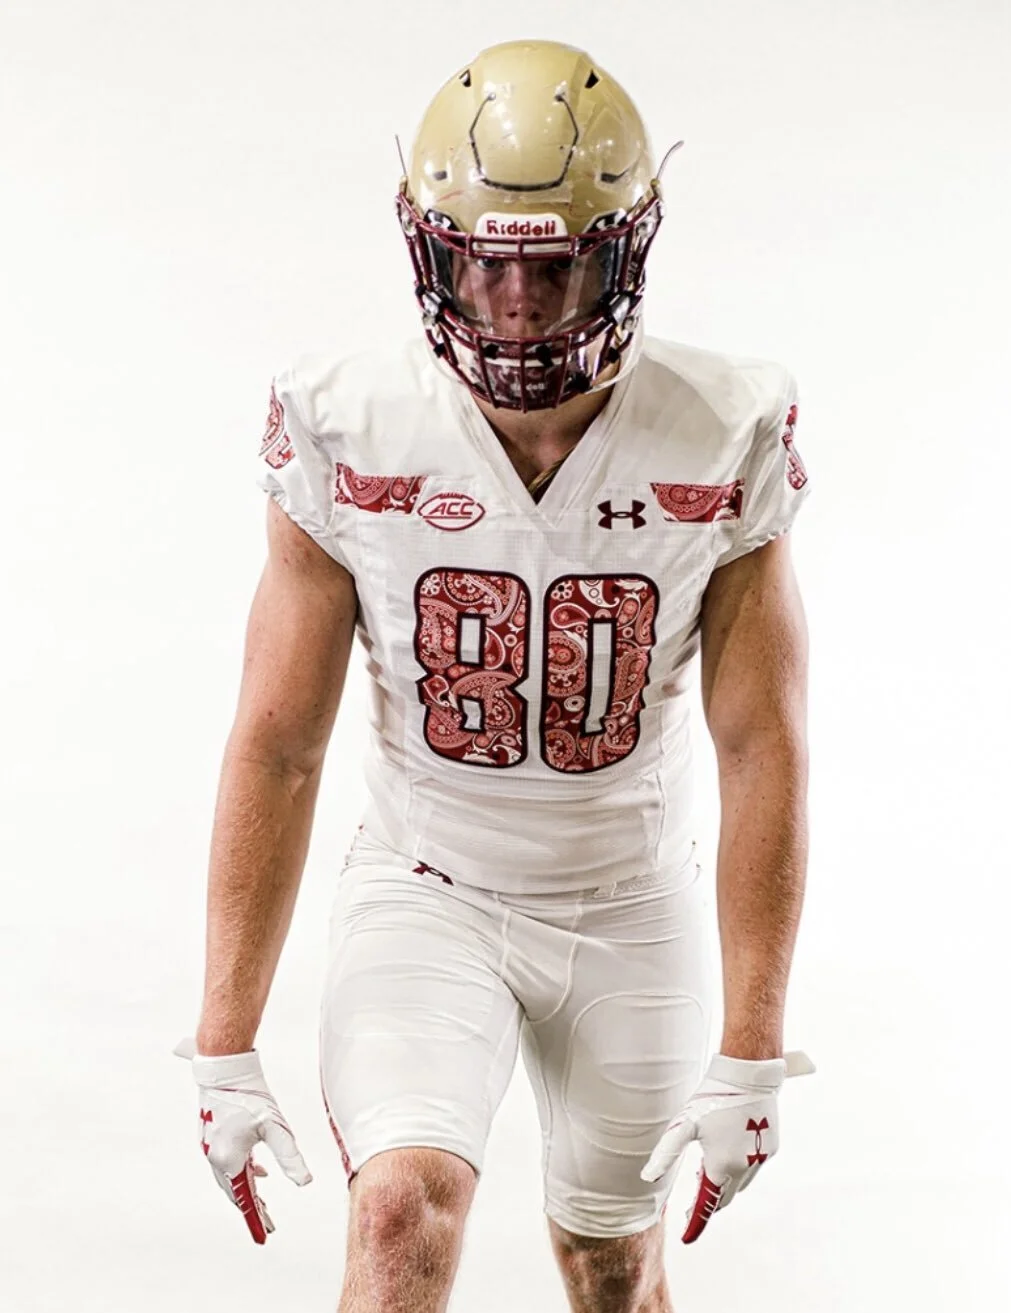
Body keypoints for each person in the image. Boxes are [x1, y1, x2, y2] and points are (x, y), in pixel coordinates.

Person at [176, 37, 815, 1313]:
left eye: (558, 261)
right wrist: (222, 1041)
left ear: (624, 249)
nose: (518, 304)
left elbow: (763, 745)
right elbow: (278, 738)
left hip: (631, 899)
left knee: (613, 1260)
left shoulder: (723, 422)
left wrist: (754, 1043)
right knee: (402, 1210)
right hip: (431, 885)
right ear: (431, 248)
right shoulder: (347, 416)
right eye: (485, 261)